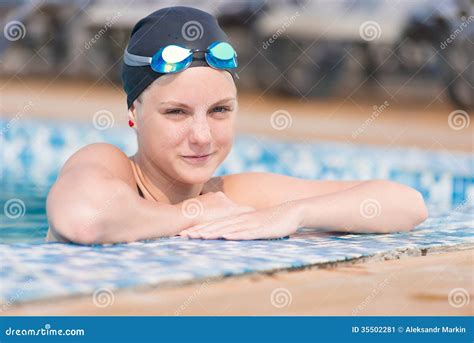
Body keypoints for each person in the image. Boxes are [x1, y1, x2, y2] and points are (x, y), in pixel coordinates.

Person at [46, 6, 428, 244]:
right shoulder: (108, 165)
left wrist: (296, 213)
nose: (201, 136)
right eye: (176, 112)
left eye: (219, 111)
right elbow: (85, 219)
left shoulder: (231, 194)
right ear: (134, 113)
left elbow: (406, 203)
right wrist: (193, 214)